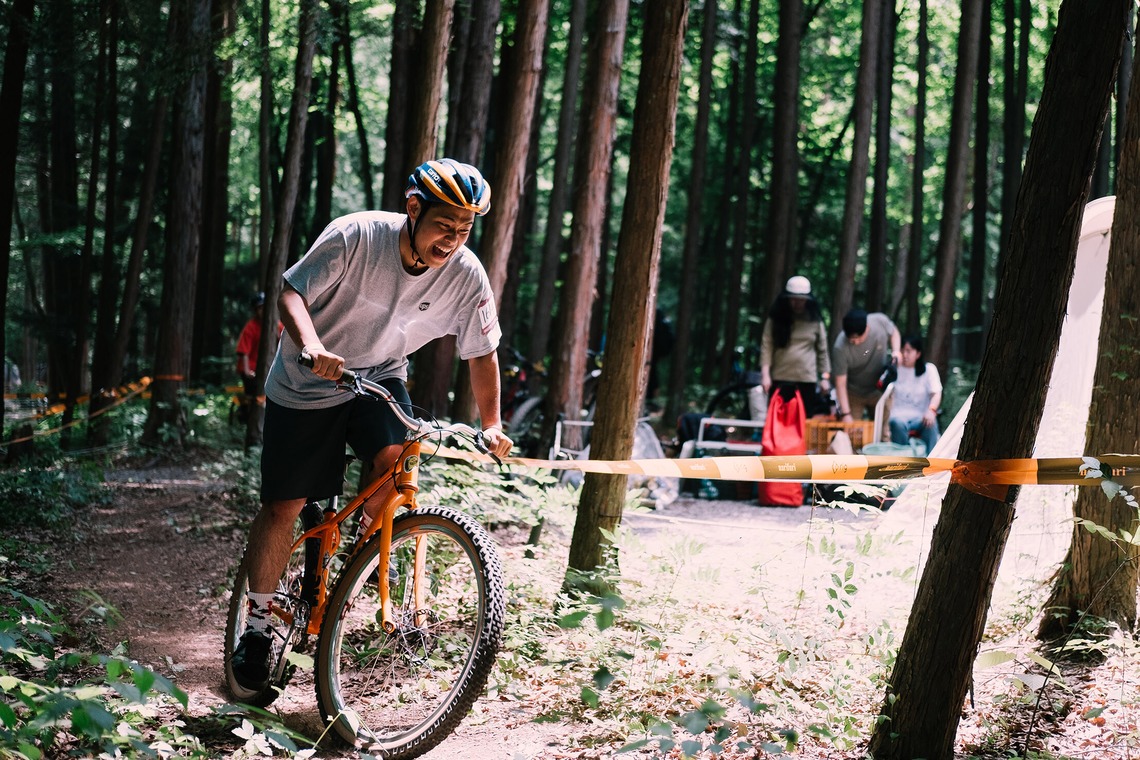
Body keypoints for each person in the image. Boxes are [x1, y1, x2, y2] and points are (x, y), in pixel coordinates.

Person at [231, 158, 514, 690]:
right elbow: (291, 294)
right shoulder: (357, 236)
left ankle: (353, 561)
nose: (452, 239)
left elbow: (482, 352)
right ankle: (258, 625)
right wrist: (312, 346)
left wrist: (493, 422)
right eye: (444, 224)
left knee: (395, 462)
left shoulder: (466, 274)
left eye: (465, 228)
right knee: (285, 504)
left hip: (378, 377)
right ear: (413, 208)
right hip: (307, 380)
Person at [758, 275, 831, 417]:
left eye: (801, 300)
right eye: (793, 299)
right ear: (787, 299)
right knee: (779, 419)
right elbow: (767, 345)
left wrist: (824, 377)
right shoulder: (775, 319)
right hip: (780, 376)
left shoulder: (815, 320)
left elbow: (822, 350)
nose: (797, 303)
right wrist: (765, 375)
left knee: (803, 419)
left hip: (807, 378)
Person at [832, 308, 902, 422]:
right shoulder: (840, 347)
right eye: (851, 339)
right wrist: (845, 413)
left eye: (858, 338)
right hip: (854, 393)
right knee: (852, 432)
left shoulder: (880, 322)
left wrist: (896, 352)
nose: (855, 342)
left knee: (883, 431)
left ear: (867, 328)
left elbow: (894, 332)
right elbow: (840, 383)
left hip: (879, 390)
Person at [888, 334, 942, 454]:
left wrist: (932, 410)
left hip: (920, 416)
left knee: (931, 423)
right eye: (902, 350)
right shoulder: (895, 369)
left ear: (918, 353)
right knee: (896, 423)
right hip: (899, 416)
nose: (905, 354)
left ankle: (932, 461)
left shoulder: (929, 369)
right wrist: (893, 364)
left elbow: (936, 393)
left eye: (908, 351)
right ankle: (902, 462)